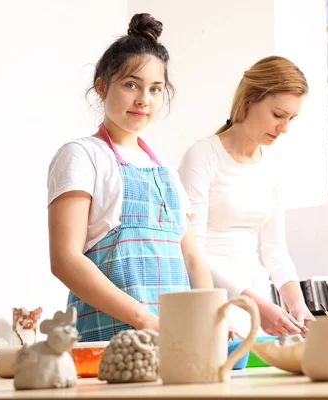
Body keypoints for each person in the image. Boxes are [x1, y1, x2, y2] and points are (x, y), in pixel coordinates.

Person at [47, 13, 213, 342]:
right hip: (109, 340)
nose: (143, 100)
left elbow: (193, 261)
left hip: (174, 341)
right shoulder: (82, 156)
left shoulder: (166, 172)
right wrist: (147, 321)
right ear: (102, 86)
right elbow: (65, 259)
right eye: (131, 85)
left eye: (155, 89)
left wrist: (208, 319)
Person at [178, 56, 314, 336]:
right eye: (278, 115)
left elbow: (274, 249)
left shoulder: (274, 167)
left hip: (260, 308)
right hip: (214, 304)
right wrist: (258, 307)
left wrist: (297, 303)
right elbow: (193, 254)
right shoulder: (203, 156)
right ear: (250, 100)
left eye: (291, 118)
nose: (284, 128)